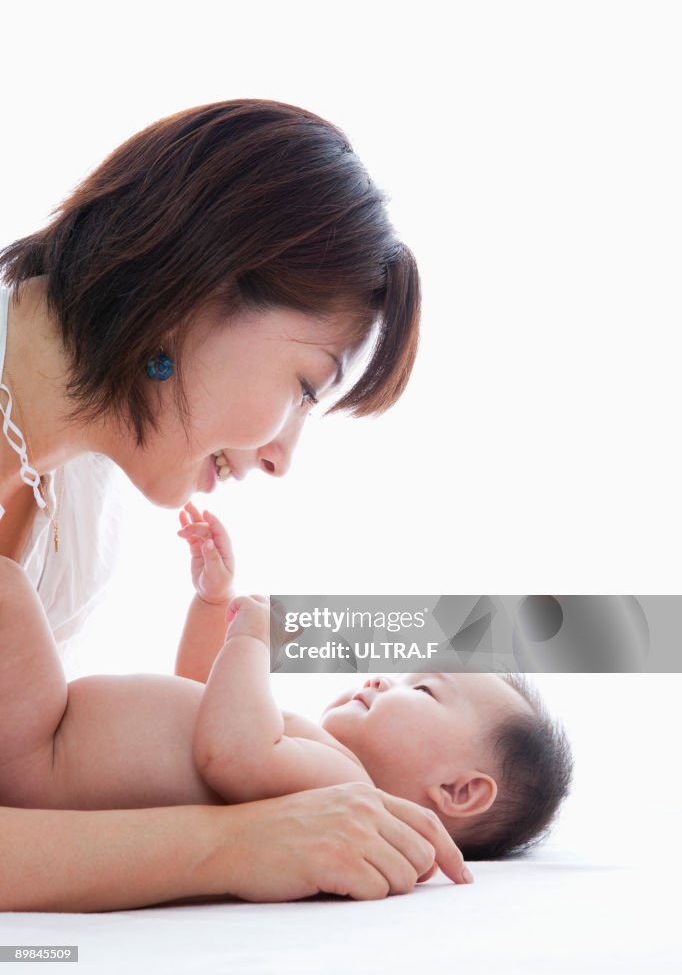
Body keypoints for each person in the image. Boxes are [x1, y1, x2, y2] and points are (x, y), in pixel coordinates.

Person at [0, 99, 466, 911]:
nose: (283, 456)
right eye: (302, 388)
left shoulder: (80, 507)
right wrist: (231, 848)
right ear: (203, 290)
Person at [0, 504, 571, 868]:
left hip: (42, 755)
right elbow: (199, 699)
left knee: (8, 582)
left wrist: (251, 640)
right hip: (45, 747)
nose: (379, 680)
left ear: (458, 791)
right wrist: (212, 603)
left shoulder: (348, 787)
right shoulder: (315, 765)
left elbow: (230, 754)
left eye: (423, 691)